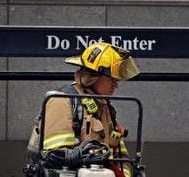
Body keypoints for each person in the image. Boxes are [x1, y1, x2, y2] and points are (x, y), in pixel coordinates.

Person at [26, 42, 139, 177]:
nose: (116, 85)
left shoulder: (106, 107)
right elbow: (54, 157)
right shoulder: (62, 101)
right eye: (112, 79)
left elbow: (121, 158)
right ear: (94, 76)